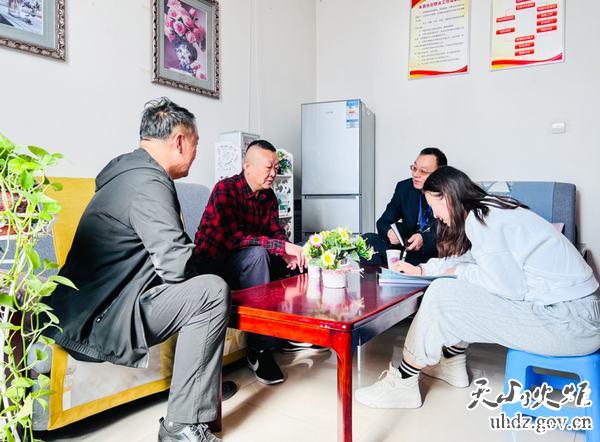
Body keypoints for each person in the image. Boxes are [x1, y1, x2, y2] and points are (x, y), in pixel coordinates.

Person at [46, 98, 229, 442]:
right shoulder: (148, 184)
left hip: (89, 309)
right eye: (195, 144)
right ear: (179, 141)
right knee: (212, 292)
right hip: (99, 319)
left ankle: (200, 393)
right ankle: (180, 426)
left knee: (211, 281)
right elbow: (176, 266)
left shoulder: (130, 174)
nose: (195, 154)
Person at [355, 166, 600, 409]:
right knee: (455, 283)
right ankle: (451, 363)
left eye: (433, 206)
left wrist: (457, 273)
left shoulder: (483, 221)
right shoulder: (488, 211)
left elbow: (506, 288)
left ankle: (403, 382)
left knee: (441, 294)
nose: (435, 215)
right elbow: (468, 261)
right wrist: (422, 270)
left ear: (447, 198)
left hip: (570, 322)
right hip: (577, 315)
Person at [186, 139, 314, 386]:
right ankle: (259, 349)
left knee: (298, 257)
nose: (273, 173)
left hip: (250, 258)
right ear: (248, 166)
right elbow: (232, 238)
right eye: (268, 167)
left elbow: (275, 231)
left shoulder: (269, 196)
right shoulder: (225, 190)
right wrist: (279, 247)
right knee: (258, 255)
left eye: (276, 167)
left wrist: (287, 250)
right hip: (214, 264)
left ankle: (290, 331)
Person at [363, 147, 447, 266]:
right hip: (406, 248)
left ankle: (404, 270)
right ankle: (379, 277)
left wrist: (424, 239)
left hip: (432, 250)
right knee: (367, 241)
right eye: (414, 168)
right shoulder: (405, 188)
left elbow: (451, 233)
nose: (416, 174)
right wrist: (389, 232)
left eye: (423, 171)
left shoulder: (449, 192)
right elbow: (383, 221)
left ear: (440, 174)